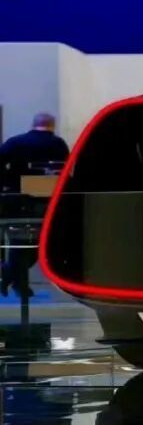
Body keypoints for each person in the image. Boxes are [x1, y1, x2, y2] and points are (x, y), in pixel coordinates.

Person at [0, 114, 70, 298]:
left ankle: (12, 277)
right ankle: (14, 279)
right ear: (52, 125)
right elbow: (65, 171)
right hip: (47, 202)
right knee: (40, 243)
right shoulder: (58, 144)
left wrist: (7, 184)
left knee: (18, 243)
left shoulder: (15, 142)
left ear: (33, 125)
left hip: (17, 200)